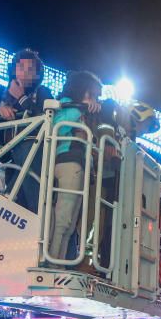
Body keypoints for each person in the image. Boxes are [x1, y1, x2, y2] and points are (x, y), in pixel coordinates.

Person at [47, 70, 102, 263]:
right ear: (82, 88)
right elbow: (57, 125)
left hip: (80, 165)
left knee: (70, 224)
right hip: (67, 161)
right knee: (63, 220)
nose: (95, 98)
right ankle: (51, 262)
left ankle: (58, 263)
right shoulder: (67, 103)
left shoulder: (84, 112)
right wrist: (81, 107)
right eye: (92, 93)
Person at [0, 49, 54, 213]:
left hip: (37, 154)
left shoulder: (43, 92)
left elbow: (44, 118)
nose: (23, 73)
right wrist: (0, 112)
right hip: (14, 161)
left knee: (31, 206)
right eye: (20, 67)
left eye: (30, 70)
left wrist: (22, 98)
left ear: (37, 76)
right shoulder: (6, 98)